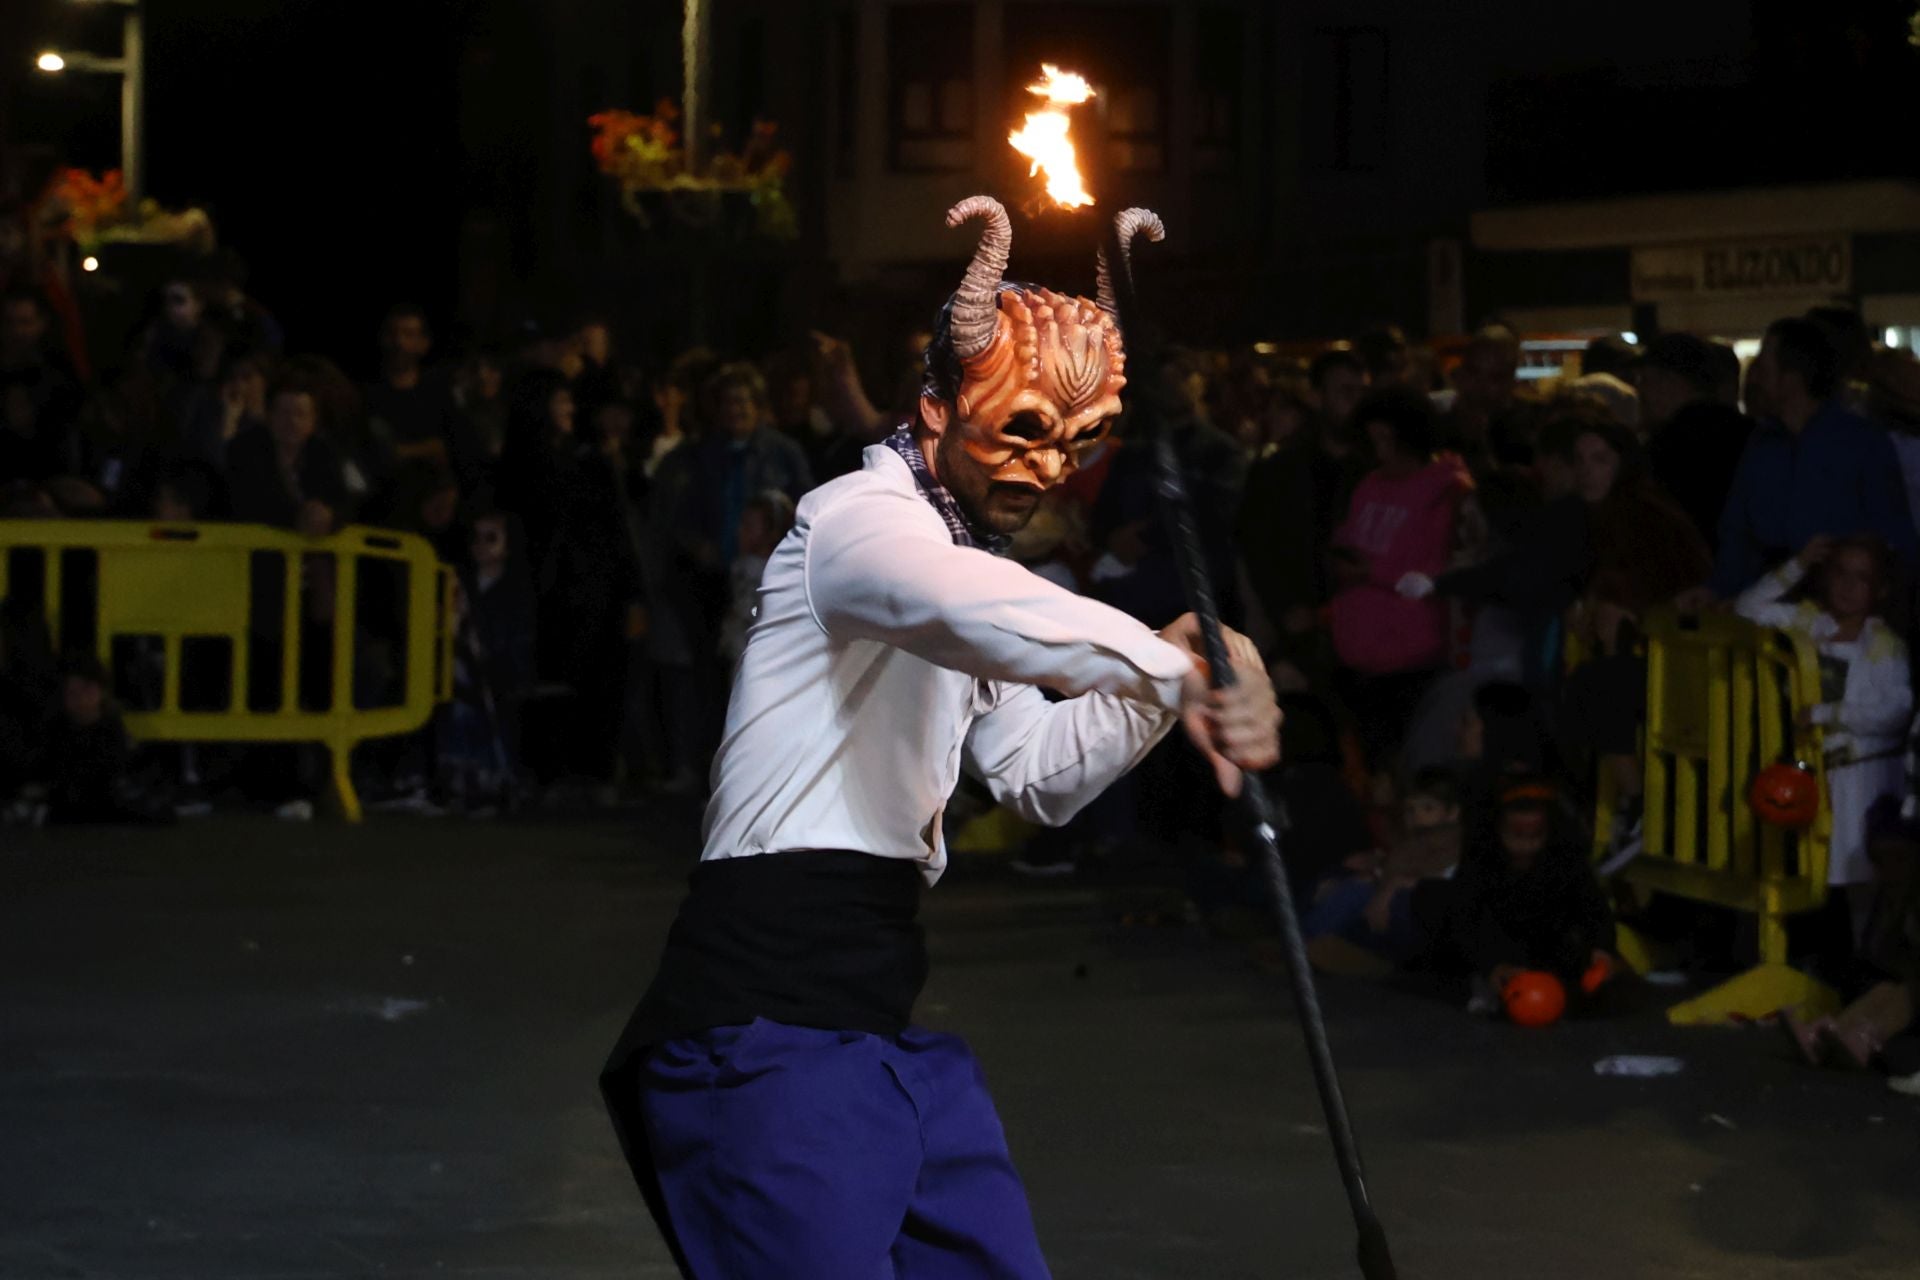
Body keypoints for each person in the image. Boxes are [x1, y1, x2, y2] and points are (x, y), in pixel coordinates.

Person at [600, 199, 1281, 1279]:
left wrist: (1168, 668)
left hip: (876, 1022)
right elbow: (959, 600)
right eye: (1020, 427)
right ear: (931, 407)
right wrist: (1174, 670)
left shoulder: (969, 567)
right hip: (762, 1025)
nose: (1050, 467)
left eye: (1079, 440)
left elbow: (1034, 776)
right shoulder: (858, 523)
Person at [1736, 535, 1911, 927]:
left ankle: (1868, 970)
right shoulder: (1807, 622)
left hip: (1863, 778)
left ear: (1878, 589)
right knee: (1811, 882)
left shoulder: (1885, 645)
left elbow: (1894, 712)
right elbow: (1746, 609)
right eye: (1841, 573)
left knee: (1863, 886)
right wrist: (1797, 564)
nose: (1848, 586)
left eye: (1861, 578)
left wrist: (1824, 712)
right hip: (1812, 774)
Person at [1711, 317, 1916, 597]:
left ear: (1791, 379)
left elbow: (1895, 540)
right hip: (1767, 604)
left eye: (1765, 367)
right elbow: (1737, 535)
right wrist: (1720, 591)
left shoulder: (1860, 443)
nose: (1755, 377)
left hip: (1839, 614)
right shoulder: (1761, 444)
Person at [1328, 385, 1472, 768]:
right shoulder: (1370, 484)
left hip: (1412, 660)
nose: (1380, 448)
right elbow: (1352, 535)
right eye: (1374, 438)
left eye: (1388, 438)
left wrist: (1371, 572)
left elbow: (1442, 563)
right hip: (1360, 658)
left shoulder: (1447, 489)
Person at [1434, 780, 1613, 1009]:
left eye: (1536, 834)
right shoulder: (1481, 859)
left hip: (1546, 950)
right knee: (1434, 898)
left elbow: (1594, 908)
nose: (1527, 842)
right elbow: (1465, 916)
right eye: (1518, 834)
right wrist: (1491, 965)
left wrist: (1602, 950)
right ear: (1499, 827)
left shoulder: (1565, 859)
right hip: (1492, 947)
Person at [1639, 333, 1753, 550]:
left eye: (1645, 380)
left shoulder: (1664, 449)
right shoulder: (1749, 434)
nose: (1640, 391)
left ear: (1669, 382)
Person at [718, 489, 796, 668]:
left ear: (773, 531)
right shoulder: (741, 567)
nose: (741, 531)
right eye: (742, 524)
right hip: (738, 657)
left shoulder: (779, 575)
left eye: (749, 526)